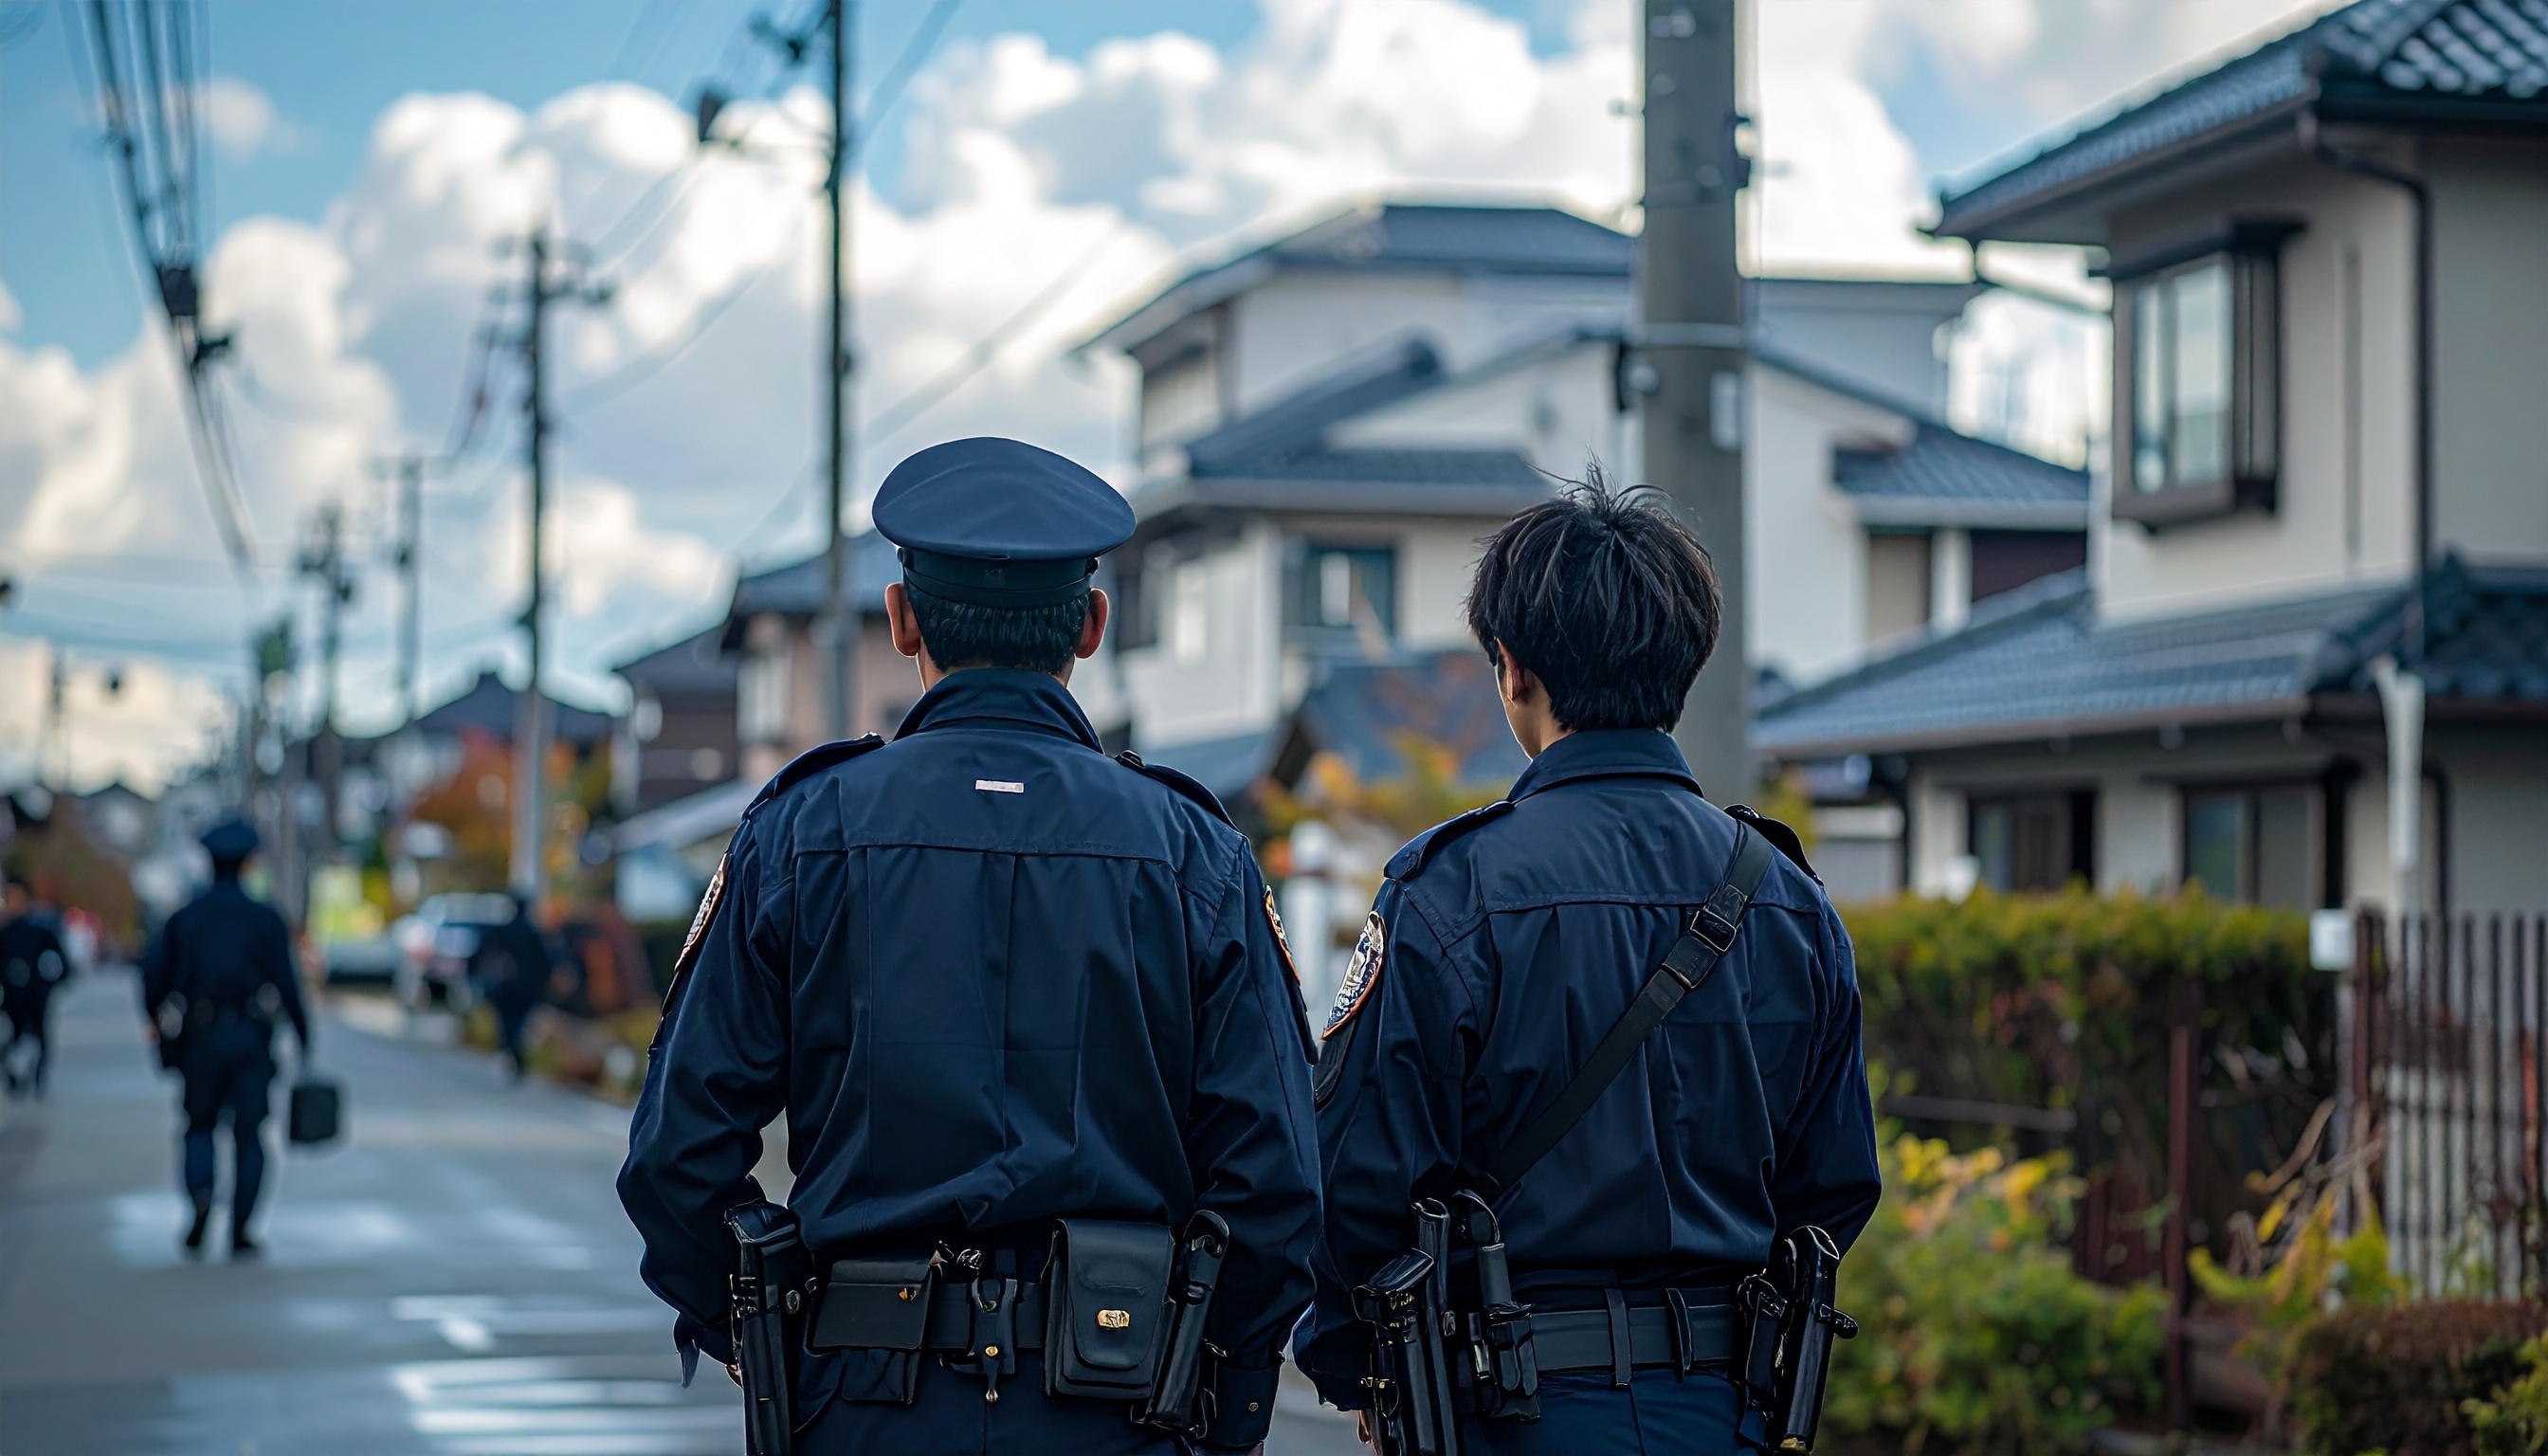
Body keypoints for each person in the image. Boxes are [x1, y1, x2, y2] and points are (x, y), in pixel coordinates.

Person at [618, 437, 1321, 1456]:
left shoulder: (802, 834)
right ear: (1091, 625)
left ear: (902, 621)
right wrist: (1222, 1389)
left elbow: (675, 1160)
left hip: (862, 1398)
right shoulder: (1192, 852)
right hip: (1122, 1401)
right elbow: (1278, 1178)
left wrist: (771, 1342)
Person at [1300, 475, 1883, 1452]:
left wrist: (1360, 1365)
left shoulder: (1450, 890)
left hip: (1504, 1406)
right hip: (1725, 1408)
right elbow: (1834, 1188)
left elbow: (1358, 1177)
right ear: (1684, 667)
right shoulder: (1788, 899)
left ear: (1512, 670)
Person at [142, 819, 311, 1259]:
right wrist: (303, 1034)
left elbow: (153, 975)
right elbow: (288, 983)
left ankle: (200, 1194)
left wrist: (155, 1020)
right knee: (250, 1133)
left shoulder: (185, 918)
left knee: (198, 1124)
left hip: (199, 1035)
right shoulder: (265, 918)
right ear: (250, 862)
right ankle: (242, 1226)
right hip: (252, 1035)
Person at [1, 876, 71, 1099]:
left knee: (39, 1036)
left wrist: (49, 983)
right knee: (14, 1036)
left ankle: (37, 1077)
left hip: (34, 994)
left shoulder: (40, 932)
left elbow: (59, 961)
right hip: (12, 996)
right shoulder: (5, 934)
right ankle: (16, 1077)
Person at [471, 895, 551, 1081]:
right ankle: (514, 1053)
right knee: (518, 1023)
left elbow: (482, 951)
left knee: (506, 1023)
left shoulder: (502, 931)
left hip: (504, 988)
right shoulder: (531, 933)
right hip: (525, 988)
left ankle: (510, 1050)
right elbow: (543, 961)